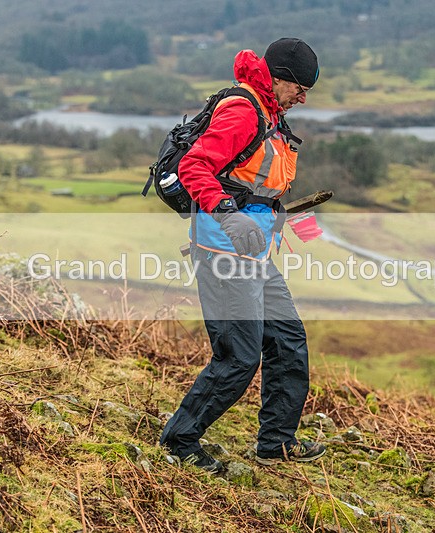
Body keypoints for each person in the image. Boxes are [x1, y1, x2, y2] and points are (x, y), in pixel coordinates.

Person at [159, 38, 326, 472]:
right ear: (278, 77)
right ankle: (179, 440)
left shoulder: (270, 113)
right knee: (239, 357)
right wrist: (230, 216)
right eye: (300, 88)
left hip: (255, 254)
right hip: (222, 250)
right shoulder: (243, 109)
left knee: (288, 342)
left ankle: (276, 442)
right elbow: (195, 167)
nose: (303, 97)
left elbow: (255, 182)